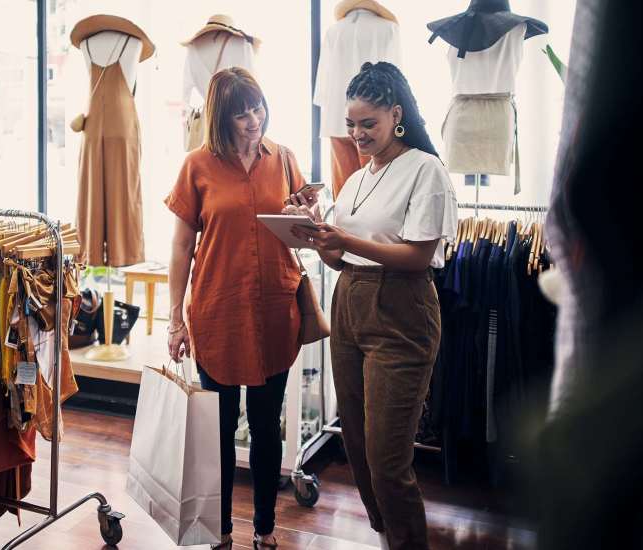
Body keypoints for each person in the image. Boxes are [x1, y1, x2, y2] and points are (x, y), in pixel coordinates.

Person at [286, 61, 457, 550]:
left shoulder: (425, 169)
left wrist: (343, 239)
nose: (358, 134)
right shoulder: (358, 179)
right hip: (349, 308)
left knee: (387, 458)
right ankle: (388, 538)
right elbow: (339, 259)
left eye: (368, 124)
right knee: (357, 447)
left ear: (396, 116)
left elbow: (418, 255)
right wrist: (316, 231)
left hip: (401, 312)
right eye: (351, 125)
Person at [165, 67, 306, 550]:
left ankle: (265, 530)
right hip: (217, 311)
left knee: (267, 428)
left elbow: (305, 231)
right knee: (219, 431)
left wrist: (307, 220)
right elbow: (182, 247)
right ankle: (220, 531)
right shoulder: (197, 166)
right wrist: (173, 319)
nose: (253, 120)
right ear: (221, 119)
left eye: (258, 107)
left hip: (274, 311)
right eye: (241, 113)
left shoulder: (284, 159)